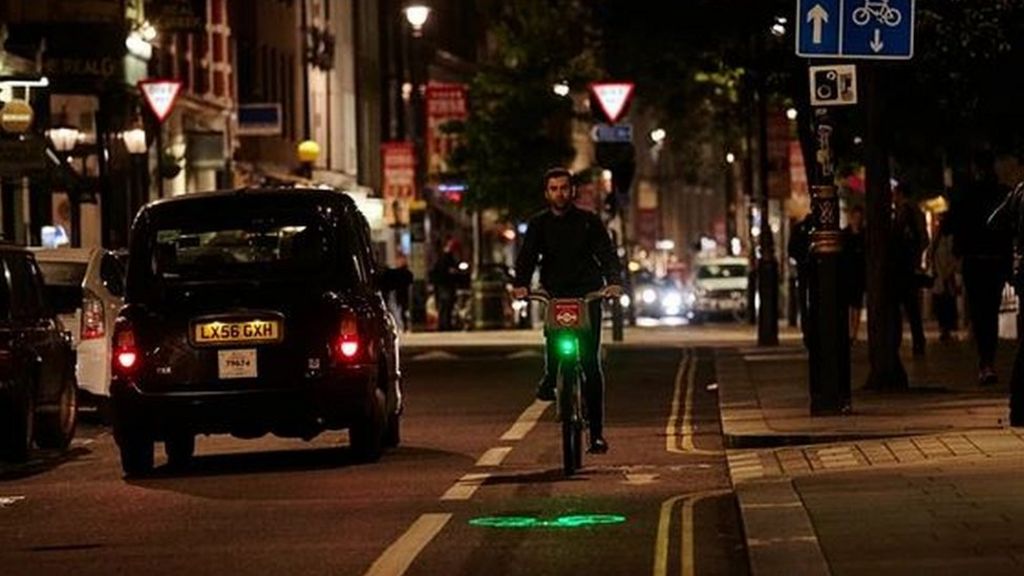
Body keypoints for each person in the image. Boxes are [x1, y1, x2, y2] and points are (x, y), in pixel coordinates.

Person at [512, 167, 624, 454]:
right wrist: (521, 285)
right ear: (546, 192)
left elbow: (606, 253)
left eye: (564, 188)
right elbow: (527, 257)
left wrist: (612, 283)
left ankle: (597, 434)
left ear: (572, 191)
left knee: (590, 363)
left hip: (588, 295)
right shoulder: (538, 224)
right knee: (553, 342)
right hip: (555, 294)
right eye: (554, 188)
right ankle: (551, 378)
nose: (559, 193)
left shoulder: (589, 222)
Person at [950, 151, 1012, 385]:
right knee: (990, 312)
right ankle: (988, 360)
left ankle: (985, 361)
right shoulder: (1000, 194)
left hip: (976, 261)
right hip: (994, 260)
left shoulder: (967, 195)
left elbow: (956, 225)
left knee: (980, 312)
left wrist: (958, 251)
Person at [989, 181, 1024, 426]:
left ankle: (1018, 405)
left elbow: (995, 223)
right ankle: (1019, 405)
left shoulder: (1020, 191)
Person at [892, 182, 928, 356]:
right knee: (912, 308)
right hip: (910, 265)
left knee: (899, 306)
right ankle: (918, 341)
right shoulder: (917, 212)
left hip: (901, 266)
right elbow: (924, 239)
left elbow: (897, 235)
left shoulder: (904, 212)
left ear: (900, 194)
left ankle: (898, 342)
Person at [929, 214, 960, 343]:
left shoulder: (947, 239)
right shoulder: (938, 239)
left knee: (946, 303)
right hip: (941, 277)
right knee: (943, 303)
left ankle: (946, 329)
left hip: (945, 277)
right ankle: (944, 328)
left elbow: (954, 258)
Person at [841, 205, 867, 343]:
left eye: (859, 218)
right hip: (847, 273)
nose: (857, 220)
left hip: (858, 273)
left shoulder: (864, 235)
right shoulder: (845, 235)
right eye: (855, 217)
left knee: (856, 304)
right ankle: (849, 331)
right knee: (848, 304)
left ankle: (854, 333)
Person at [787, 212, 813, 347]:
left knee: (804, 301)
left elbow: (791, 250)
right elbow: (792, 250)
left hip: (804, 269)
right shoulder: (803, 229)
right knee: (805, 301)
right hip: (808, 269)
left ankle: (807, 331)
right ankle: (808, 331)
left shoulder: (800, 228)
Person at [430, 237, 461, 331]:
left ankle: (443, 324)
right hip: (446, 285)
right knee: (446, 305)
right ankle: (445, 324)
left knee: (444, 306)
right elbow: (446, 271)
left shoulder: (442, 257)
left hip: (443, 285)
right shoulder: (447, 257)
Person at [384, 253, 414, 332]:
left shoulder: (403, 273)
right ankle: (402, 326)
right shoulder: (402, 273)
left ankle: (402, 327)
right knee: (399, 311)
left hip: (401, 296)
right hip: (399, 296)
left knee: (401, 311)